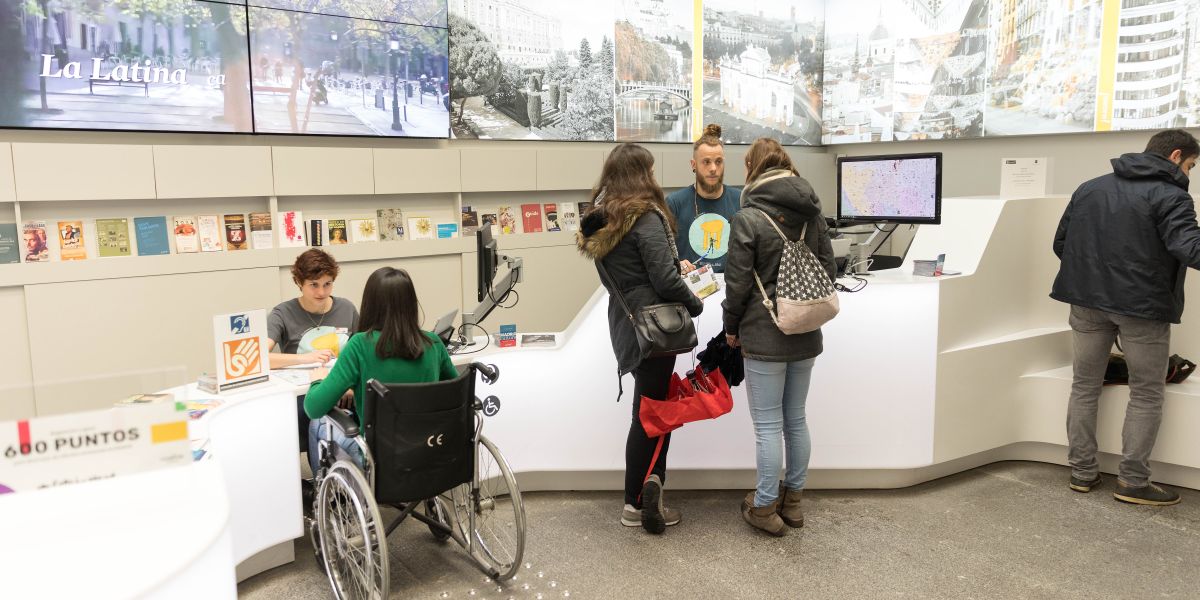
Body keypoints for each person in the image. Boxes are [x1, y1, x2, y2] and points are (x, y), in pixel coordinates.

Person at [1051, 129, 1200, 507]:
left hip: (1085, 302)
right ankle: (1133, 481)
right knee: (1146, 392)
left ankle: (1082, 473)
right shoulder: (1171, 195)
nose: (1190, 173)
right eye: (1191, 165)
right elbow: (1191, 249)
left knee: (1084, 384)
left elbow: (1061, 244)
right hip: (1142, 308)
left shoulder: (1091, 187)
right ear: (1176, 155)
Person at [577, 143, 704, 534]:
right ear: (639, 175)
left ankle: (649, 488)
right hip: (657, 327)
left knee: (647, 411)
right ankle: (637, 501)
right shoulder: (646, 218)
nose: (653, 177)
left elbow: (633, 275)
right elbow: (663, 281)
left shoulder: (602, 222)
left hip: (628, 325)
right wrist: (694, 302)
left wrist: (670, 267)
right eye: (648, 170)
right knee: (652, 415)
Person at [722, 137, 835, 536]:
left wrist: (731, 328)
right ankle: (795, 502)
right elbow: (828, 271)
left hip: (764, 336)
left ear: (753, 167)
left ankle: (765, 506)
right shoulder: (812, 213)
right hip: (805, 330)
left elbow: (736, 285)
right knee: (796, 419)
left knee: (768, 425)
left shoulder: (748, 218)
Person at [304, 267, 458, 475]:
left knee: (317, 423)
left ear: (370, 304)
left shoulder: (360, 344)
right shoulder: (433, 342)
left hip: (377, 457)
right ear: (411, 303)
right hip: (427, 447)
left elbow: (314, 407)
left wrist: (317, 381)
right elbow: (454, 394)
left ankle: (322, 498)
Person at [268, 249, 360, 454]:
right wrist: (302, 358)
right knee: (314, 414)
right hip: (306, 393)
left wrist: (350, 386)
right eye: (313, 285)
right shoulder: (282, 313)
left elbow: (361, 354)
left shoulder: (346, 308)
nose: (321, 292)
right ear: (299, 283)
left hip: (344, 388)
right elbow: (257, 358)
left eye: (327, 284)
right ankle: (323, 478)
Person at [665, 123, 742, 273]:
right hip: (689, 289)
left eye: (718, 162)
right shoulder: (674, 203)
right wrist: (676, 265)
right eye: (706, 162)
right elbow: (662, 255)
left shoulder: (740, 200)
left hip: (732, 288)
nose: (713, 168)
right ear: (693, 165)